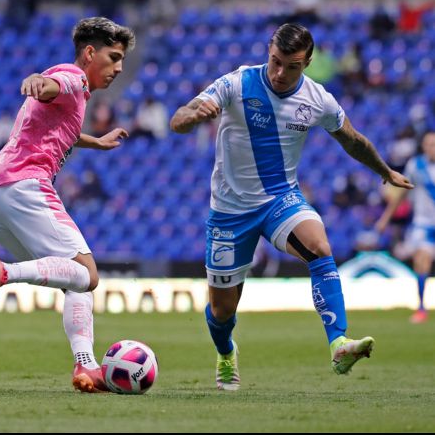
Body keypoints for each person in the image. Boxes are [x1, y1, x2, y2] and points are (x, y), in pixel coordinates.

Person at [169, 23, 413, 391]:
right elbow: (179, 119)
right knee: (222, 312)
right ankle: (225, 353)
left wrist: (385, 171)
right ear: (269, 51)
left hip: (281, 199)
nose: (280, 73)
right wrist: (194, 116)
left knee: (319, 246)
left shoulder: (318, 99)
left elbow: (353, 140)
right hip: (230, 211)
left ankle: (338, 343)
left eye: (292, 66)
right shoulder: (237, 83)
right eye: (276, 62)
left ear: (308, 63)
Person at [0, 17, 134, 393]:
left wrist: (95, 142)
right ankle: (4, 273)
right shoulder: (73, 78)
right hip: (25, 187)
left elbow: (59, 122)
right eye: (113, 58)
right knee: (88, 273)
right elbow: (51, 86)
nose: (118, 69)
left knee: (72, 279)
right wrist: (37, 81)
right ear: (90, 53)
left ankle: (87, 367)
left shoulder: (77, 96)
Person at [376, 131, 435, 324]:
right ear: (423, 146)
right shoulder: (416, 165)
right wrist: (385, 217)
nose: (431, 148)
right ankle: (421, 308)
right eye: (428, 144)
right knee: (421, 261)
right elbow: (401, 193)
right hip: (424, 224)